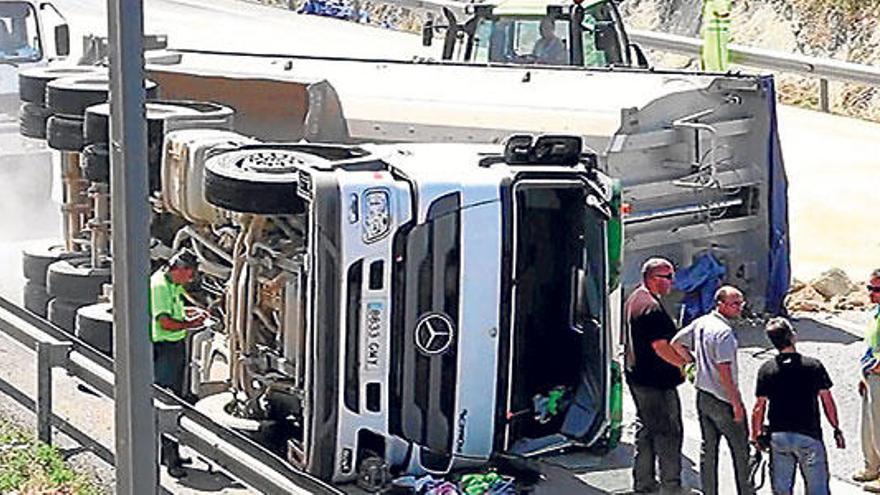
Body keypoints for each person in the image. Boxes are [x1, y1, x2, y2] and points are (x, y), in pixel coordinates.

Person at [671, 286, 753, 495]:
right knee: (741, 453)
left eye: (740, 302)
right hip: (723, 400)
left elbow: (676, 343)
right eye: (735, 303)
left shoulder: (702, 322)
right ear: (721, 304)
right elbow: (724, 370)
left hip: (703, 397)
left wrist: (692, 363)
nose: (739, 307)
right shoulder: (723, 333)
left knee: (708, 450)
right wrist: (736, 404)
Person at [751, 317, 844, 495]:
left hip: (779, 437)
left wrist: (755, 436)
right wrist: (836, 428)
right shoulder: (813, 366)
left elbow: (759, 407)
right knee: (818, 490)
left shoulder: (766, 369)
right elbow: (827, 401)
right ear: (792, 337)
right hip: (809, 436)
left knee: (782, 490)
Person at [623, 257, 688, 494]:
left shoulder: (635, 299)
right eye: (667, 277)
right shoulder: (651, 309)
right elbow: (661, 347)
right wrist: (685, 364)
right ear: (652, 278)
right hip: (655, 384)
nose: (672, 281)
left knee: (647, 431)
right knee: (669, 434)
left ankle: (644, 483)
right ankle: (672, 487)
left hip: (638, 378)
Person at [150, 251, 206, 478]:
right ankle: (172, 460)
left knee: (173, 399)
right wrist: (190, 323)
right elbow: (164, 321)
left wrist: (191, 313)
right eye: (189, 275)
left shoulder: (171, 283)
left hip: (172, 349)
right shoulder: (160, 287)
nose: (190, 280)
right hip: (163, 349)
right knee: (168, 402)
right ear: (179, 270)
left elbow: (176, 310)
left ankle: (168, 454)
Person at [854, 269, 880, 491]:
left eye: (876, 289)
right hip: (871, 374)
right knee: (869, 426)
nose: (871, 293)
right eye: (870, 288)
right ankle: (872, 467)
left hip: (879, 374)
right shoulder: (876, 313)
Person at [700, 0, 731, 71]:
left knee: (712, 51)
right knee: (716, 52)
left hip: (714, 28)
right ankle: (718, 70)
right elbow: (723, 12)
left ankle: (714, 69)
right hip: (716, 29)